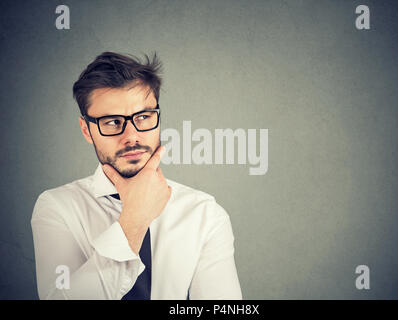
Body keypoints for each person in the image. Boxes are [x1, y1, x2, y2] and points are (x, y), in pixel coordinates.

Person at [31, 52, 242, 300]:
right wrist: (134, 221)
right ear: (86, 130)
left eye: (143, 117)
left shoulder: (205, 214)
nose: (132, 136)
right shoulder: (57, 208)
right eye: (112, 121)